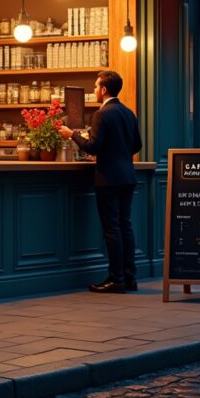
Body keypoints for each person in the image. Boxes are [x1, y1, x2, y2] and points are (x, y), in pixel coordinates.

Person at [59, 71, 142, 294]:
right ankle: (129, 277)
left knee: (112, 229)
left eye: (96, 87)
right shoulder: (128, 113)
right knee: (125, 227)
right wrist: (118, 153)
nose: (94, 90)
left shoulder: (102, 114)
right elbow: (137, 145)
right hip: (128, 176)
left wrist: (71, 134)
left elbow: (92, 147)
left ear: (104, 89)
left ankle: (116, 279)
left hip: (108, 178)